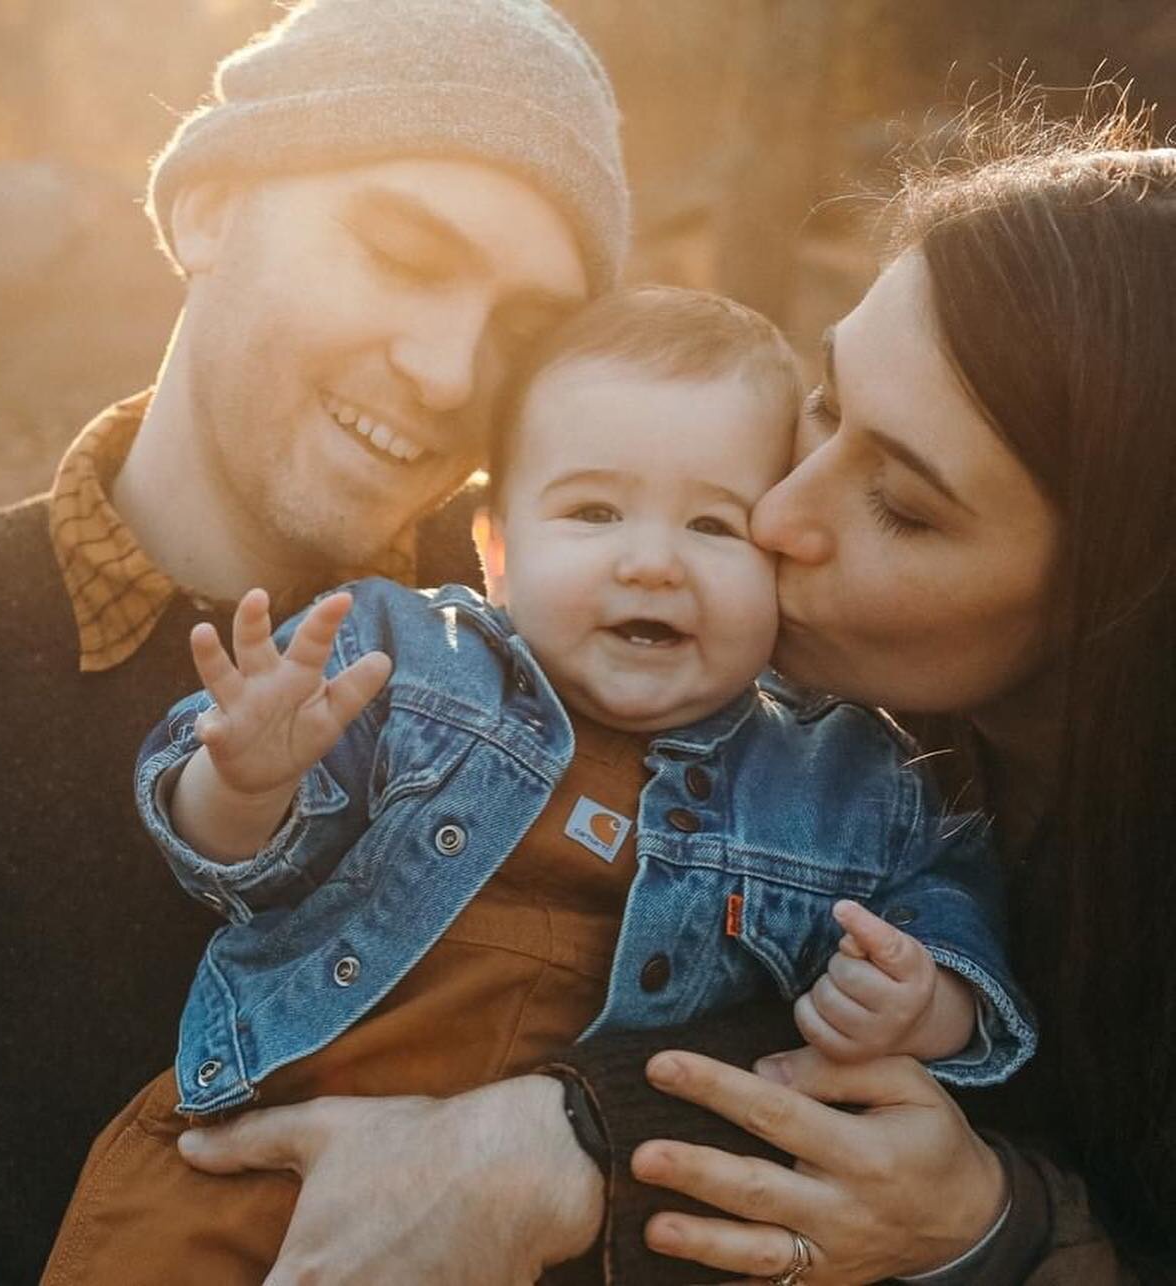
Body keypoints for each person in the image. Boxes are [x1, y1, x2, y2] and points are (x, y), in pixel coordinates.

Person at [155, 115, 1176, 1284]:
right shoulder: (579, 637)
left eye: (898, 501)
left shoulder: (898, 810)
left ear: (1119, 602)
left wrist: (999, 1224)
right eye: (826, 406)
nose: (775, 513)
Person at [43, 285, 1033, 1286]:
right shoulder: (401, 659)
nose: (650, 560)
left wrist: (926, 998)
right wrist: (245, 777)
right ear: (495, 550)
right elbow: (227, 860)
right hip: (264, 1156)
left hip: (581, 1240)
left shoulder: (838, 772)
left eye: (712, 524)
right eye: (594, 511)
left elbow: (945, 889)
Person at [0, 1, 628, 1281]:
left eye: (521, 329)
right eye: (403, 252)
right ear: (208, 207)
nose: (452, 372)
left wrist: (583, 1132)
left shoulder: (590, 642)